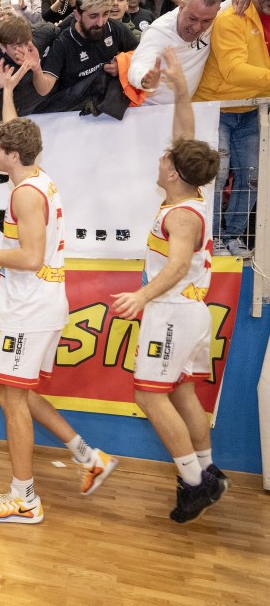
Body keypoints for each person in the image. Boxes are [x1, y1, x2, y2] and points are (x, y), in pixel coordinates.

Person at [0, 60, 117, 524]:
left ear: (11, 154)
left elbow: (30, 257)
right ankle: (90, 457)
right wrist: (8, 91)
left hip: (31, 306)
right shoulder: (35, 175)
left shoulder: (25, 195)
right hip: (41, 303)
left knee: (11, 399)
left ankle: (24, 498)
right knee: (20, 395)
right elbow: (16, 133)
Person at [111, 48, 228, 523]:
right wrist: (181, 88)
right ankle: (207, 470)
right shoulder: (192, 195)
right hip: (190, 311)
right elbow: (184, 139)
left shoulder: (181, 214)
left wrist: (141, 295)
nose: (161, 160)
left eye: (166, 160)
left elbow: (178, 266)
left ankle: (194, 484)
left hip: (174, 309)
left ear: (175, 174)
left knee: (148, 394)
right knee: (181, 392)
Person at [192, 0, 269, 258]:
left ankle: (233, 236)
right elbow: (234, 70)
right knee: (216, 175)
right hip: (216, 109)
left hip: (251, 109)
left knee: (253, 177)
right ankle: (212, 239)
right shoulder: (231, 17)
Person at [126, 0, 222, 105]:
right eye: (192, 18)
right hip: (149, 109)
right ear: (181, 6)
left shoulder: (215, 13)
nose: (197, 27)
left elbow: (234, 0)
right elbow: (138, 65)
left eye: (206, 21)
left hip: (184, 108)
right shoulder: (159, 31)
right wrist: (145, 79)